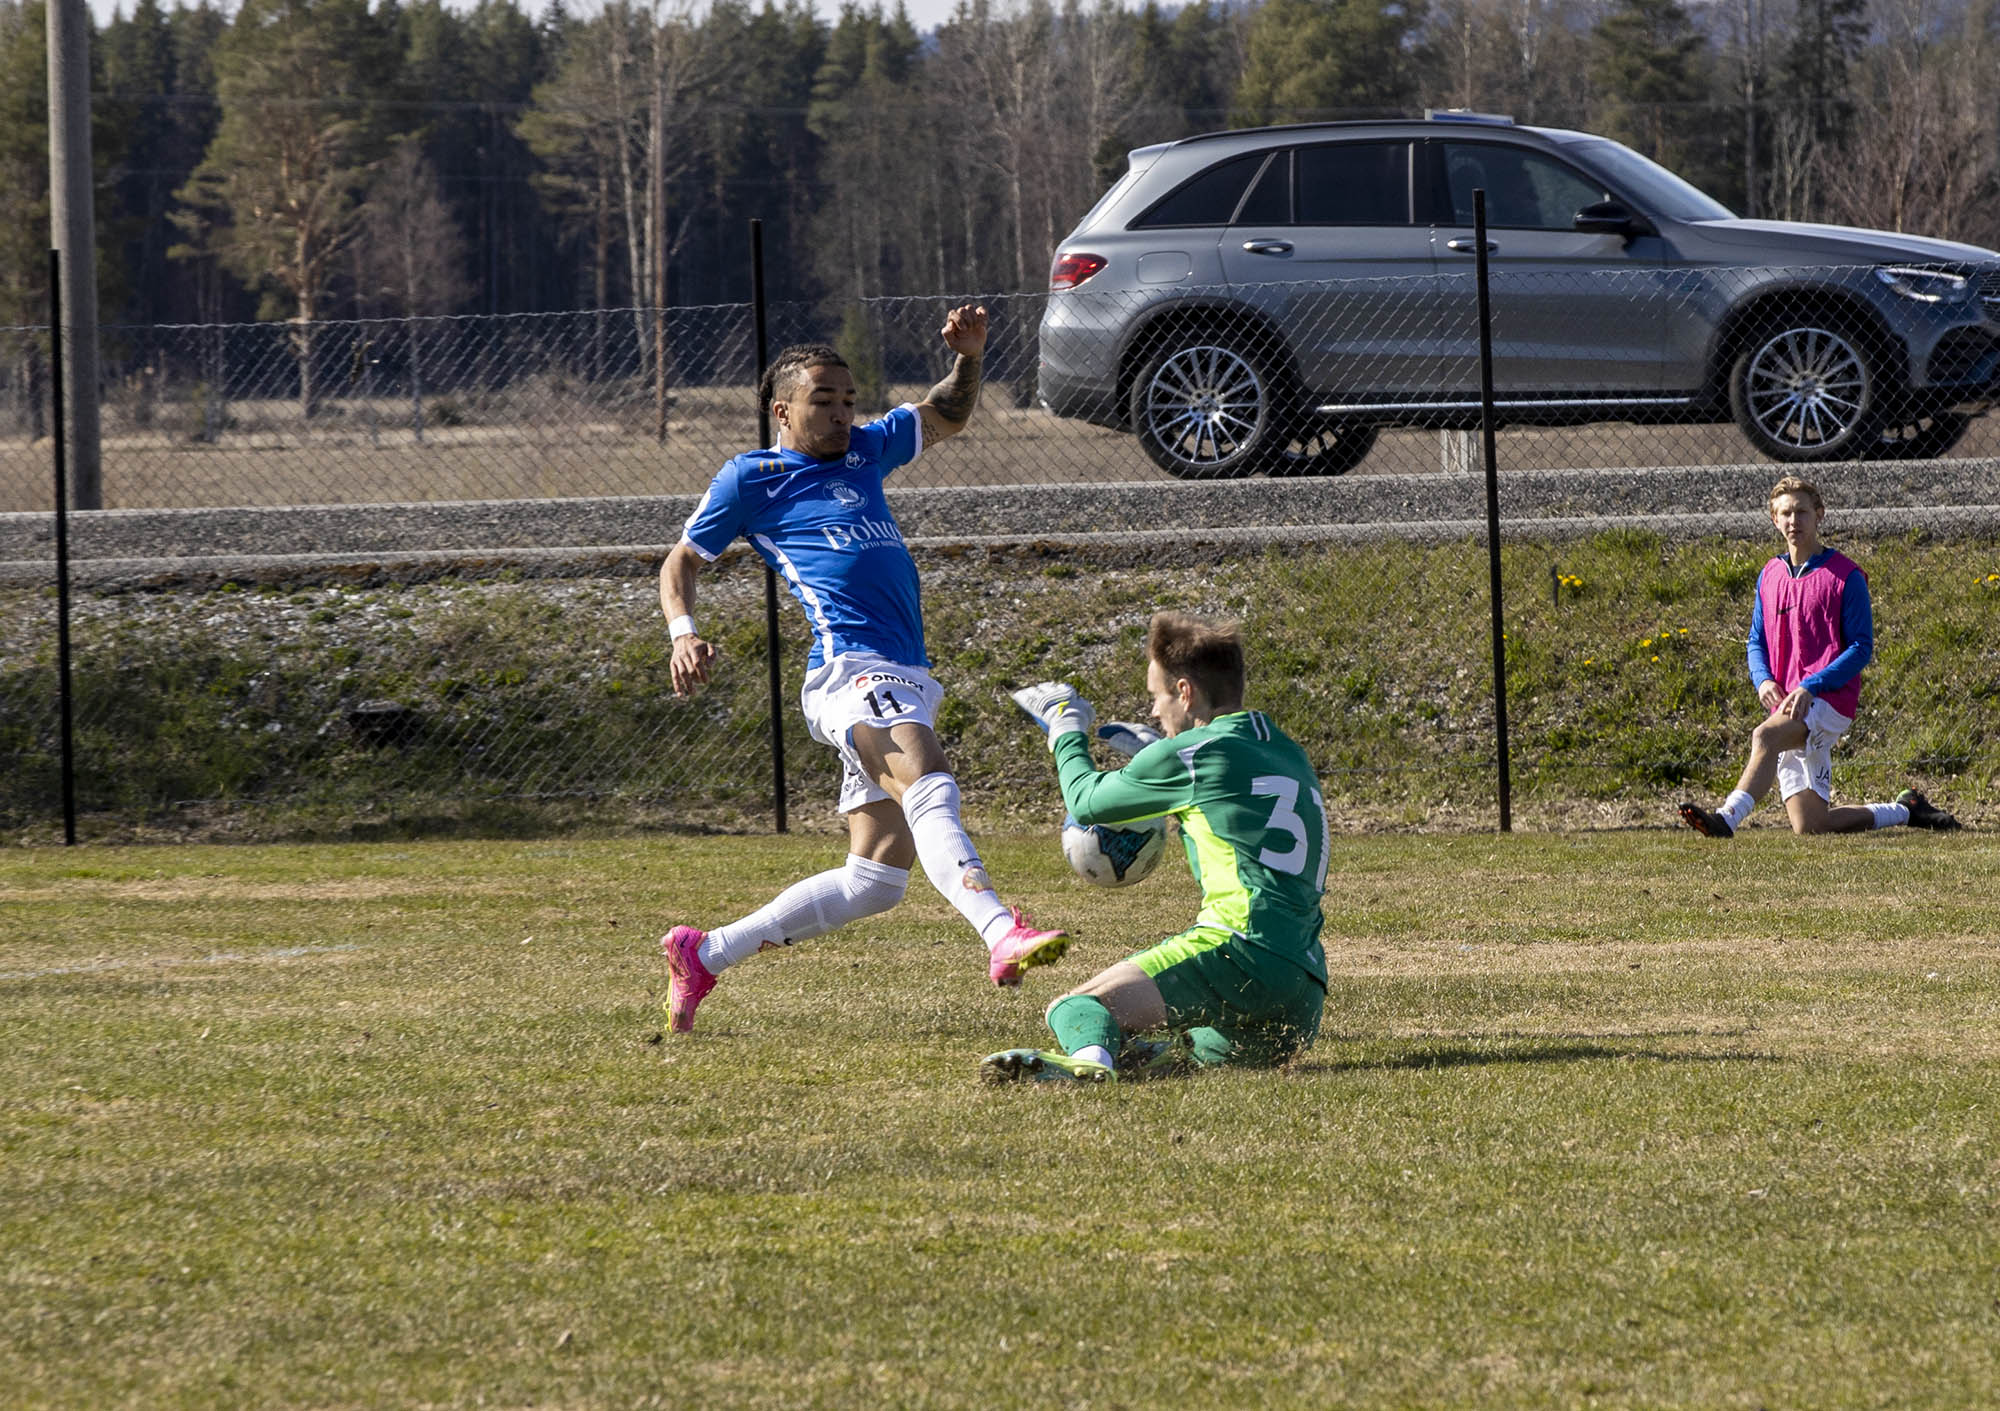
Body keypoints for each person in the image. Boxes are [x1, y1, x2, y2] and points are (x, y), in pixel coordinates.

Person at [656, 305, 1067, 1033]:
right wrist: (684, 633)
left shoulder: (866, 451)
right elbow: (682, 560)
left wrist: (970, 359)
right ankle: (1002, 930)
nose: (845, 412)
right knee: (928, 773)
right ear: (782, 410)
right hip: (849, 670)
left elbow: (946, 413)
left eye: (850, 399)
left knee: (875, 878)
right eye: (825, 400)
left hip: (903, 668)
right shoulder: (752, 478)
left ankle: (706, 953)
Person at [987, 612, 1330, 1084]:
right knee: (1184, 1053)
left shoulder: (1190, 756)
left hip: (1240, 952)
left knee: (1075, 1007)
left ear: (1185, 692)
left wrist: (1063, 725)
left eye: (1157, 696)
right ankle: (1138, 1057)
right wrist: (1157, 752)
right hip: (1303, 990)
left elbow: (1085, 801)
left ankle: (1089, 1064)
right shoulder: (1288, 752)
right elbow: (1231, 802)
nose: (1153, 711)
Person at [1678, 475, 1959, 839]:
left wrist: (1811, 685)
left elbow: (1861, 647)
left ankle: (1727, 818)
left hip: (1828, 700)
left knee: (1764, 737)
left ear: (1819, 515)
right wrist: (1762, 679)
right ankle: (1907, 810)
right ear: (1774, 520)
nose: (1794, 520)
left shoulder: (1845, 575)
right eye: (1785, 513)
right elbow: (1755, 640)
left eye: (1802, 511)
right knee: (1811, 825)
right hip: (1791, 705)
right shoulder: (1769, 575)